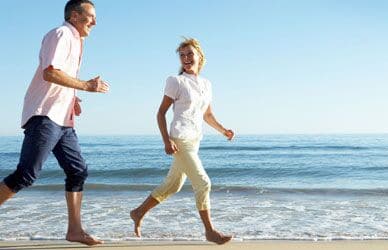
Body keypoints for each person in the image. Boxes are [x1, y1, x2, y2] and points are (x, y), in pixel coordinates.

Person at [0, 0, 110, 246]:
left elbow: (58, 77)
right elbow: (49, 72)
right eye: (90, 16)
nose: (94, 22)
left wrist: (73, 97)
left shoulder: (77, 41)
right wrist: (86, 85)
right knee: (26, 175)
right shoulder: (60, 34)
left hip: (63, 119)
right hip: (45, 116)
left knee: (78, 171)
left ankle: (75, 231)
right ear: (74, 15)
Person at [130, 38, 234, 245]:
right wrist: (166, 140)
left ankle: (139, 212)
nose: (186, 58)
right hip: (180, 138)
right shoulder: (175, 81)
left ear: (199, 56)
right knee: (203, 183)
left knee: (174, 185)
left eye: (190, 54)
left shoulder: (206, 84)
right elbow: (160, 113)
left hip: (195, 139)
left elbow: (208, 114)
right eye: (182, 55)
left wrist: (223, 130)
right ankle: (210, 231)